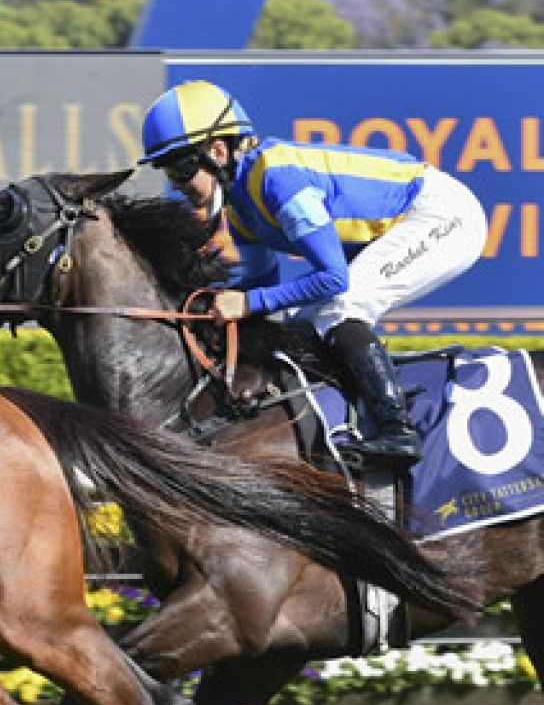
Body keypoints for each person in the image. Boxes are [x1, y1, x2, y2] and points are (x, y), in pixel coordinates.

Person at [139, 79, 487, 466]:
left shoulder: (278, 180)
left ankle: (397, 431)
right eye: (167, 171)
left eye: (182, 167)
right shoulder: (238, 205)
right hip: (408, 221)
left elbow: (333, 278)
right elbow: (260, 290)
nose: (178, 184)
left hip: (443, 217)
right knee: (297, 324)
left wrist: (249, 301)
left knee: (342, 306)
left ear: (218, 151)